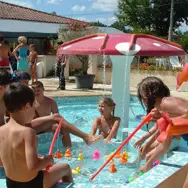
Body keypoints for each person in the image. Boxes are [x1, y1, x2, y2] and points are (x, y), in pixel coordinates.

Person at [0, 84, 73, 188]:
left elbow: (2, 161)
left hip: (11, 184)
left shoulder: (1, 130)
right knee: (65, 167)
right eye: (34, 106)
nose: (34, 110)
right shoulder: (28, 132)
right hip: (33, 184)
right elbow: (33, 166)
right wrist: (47, 160)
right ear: (26, 107)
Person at [136, 76, 188, 172]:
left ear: (146, 96)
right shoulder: (163, 112)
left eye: (142, 98)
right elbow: (164, 146)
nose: (144, 102)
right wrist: (147, 165)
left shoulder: (167, 102)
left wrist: (170, 120)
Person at [31, 80, 102, 148]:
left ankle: (68, 150)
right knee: (56, 117)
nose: (36, 92)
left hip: (45, 126)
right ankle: (86, 137)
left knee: (63, 126)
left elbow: (58, 121)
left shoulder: (51, 102)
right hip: (34, 127)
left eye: (38, 90)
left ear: (43, 89)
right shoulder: (30, 103)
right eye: (34, 91)